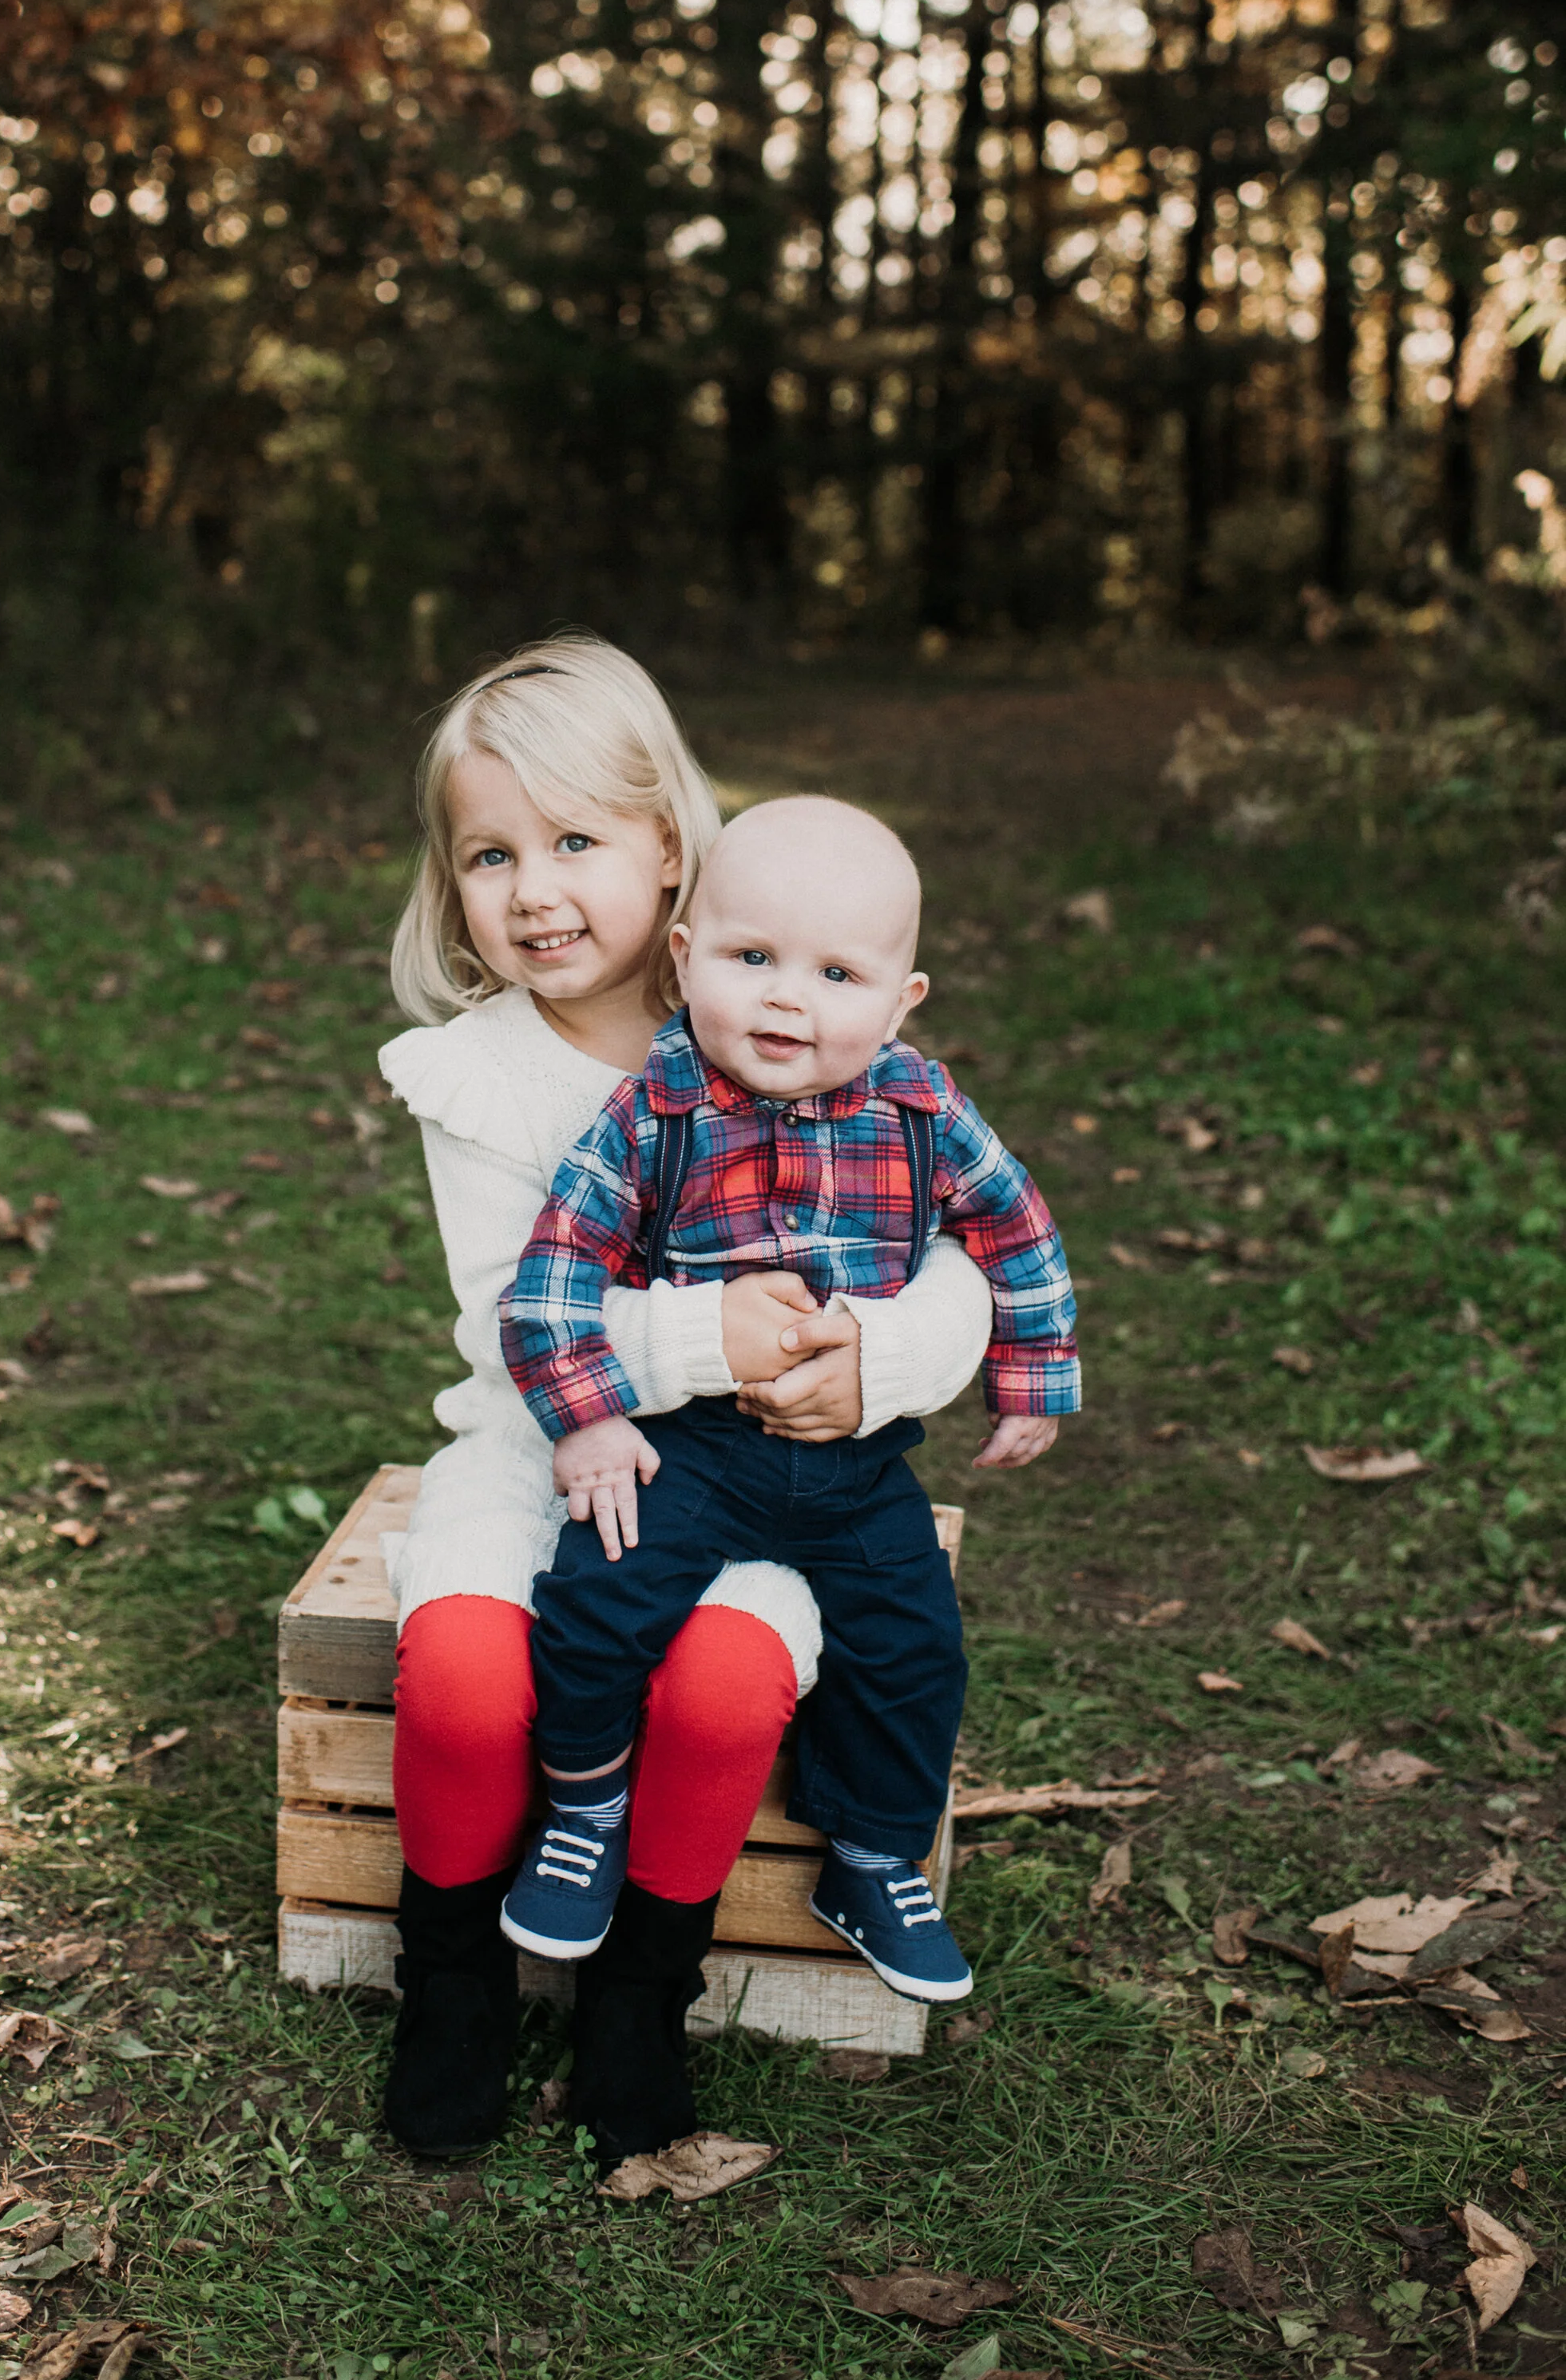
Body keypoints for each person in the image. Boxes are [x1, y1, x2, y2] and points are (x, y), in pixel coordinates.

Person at [377, 640, 995, 2164]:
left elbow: (966, 1250)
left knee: (721, 1687)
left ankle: (640, 1999)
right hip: (541, 1448)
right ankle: (450, 1985)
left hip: (773, 1471)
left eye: (579, 841)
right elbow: (502, 1315)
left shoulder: (775, 1001)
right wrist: (716, 1334)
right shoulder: (481, 1079)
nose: (536, 889)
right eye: (493, 854)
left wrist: (888, 1366)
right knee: (467, 1671)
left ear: (675, 847)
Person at [498, 795, 1080, 2006]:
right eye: (751, 957)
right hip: (691, 1447)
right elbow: (556, 1271)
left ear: (901, 1001)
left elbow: (1015, 1233)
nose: (786, 999)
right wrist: (592, 1413)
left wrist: (1030, 1379)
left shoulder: (922, 1114)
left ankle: (871, 1850)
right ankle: (587, 1805)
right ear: (684, 958)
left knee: (914, 1647)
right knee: (596, 1601)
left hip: (855, 1456)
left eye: (837, 973)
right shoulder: (649, 1115)